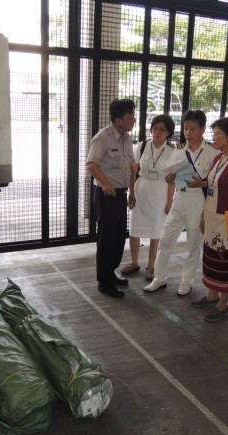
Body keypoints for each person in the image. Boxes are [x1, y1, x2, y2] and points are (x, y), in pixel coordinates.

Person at [143, 110, 220, 296]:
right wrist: (170, 178)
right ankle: (159, 278)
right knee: (166, 238)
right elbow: (170, 179)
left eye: (192, 129)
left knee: (194, 242)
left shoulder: (212, 153)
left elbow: (216, 181)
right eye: (186, 129)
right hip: (179, 197)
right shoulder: (179, 151)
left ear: (202, 129)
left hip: (197, 198)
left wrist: (201, 183)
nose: (188, 132)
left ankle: (187, 280)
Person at [190, 117, 228, 321]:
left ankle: (223, 304)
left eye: (218, 134)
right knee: (212, 257)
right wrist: (202, 214)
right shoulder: (219, 158)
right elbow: (211, 186)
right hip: (212, 216)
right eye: (213, 133)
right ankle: (212, 295)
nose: (213, 137)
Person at [87, 99, 136, 298]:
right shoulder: (103, 138)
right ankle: (104, 282)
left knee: (117, 238)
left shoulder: (127, 138)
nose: (134, 119)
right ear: (118, 119)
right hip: (106, 195)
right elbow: (91, 164)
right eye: (130, 116)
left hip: (121, 194)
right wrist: (106, 183)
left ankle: (111, 272)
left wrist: (132, 192)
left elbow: (131, 168)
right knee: (106, 239)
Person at [120, 114, 176, 281]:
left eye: (161, 129)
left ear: (168, 133)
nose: (157, 132)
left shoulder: (173, 151)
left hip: (160, 192)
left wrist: (170, 201)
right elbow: (133, 171)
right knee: (135, 228)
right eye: (154, 128)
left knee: (156, 231)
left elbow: (172, 179)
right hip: (141, 190)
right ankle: (134, 262)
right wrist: (131, 192)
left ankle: (151, 266)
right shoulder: (142, 146)